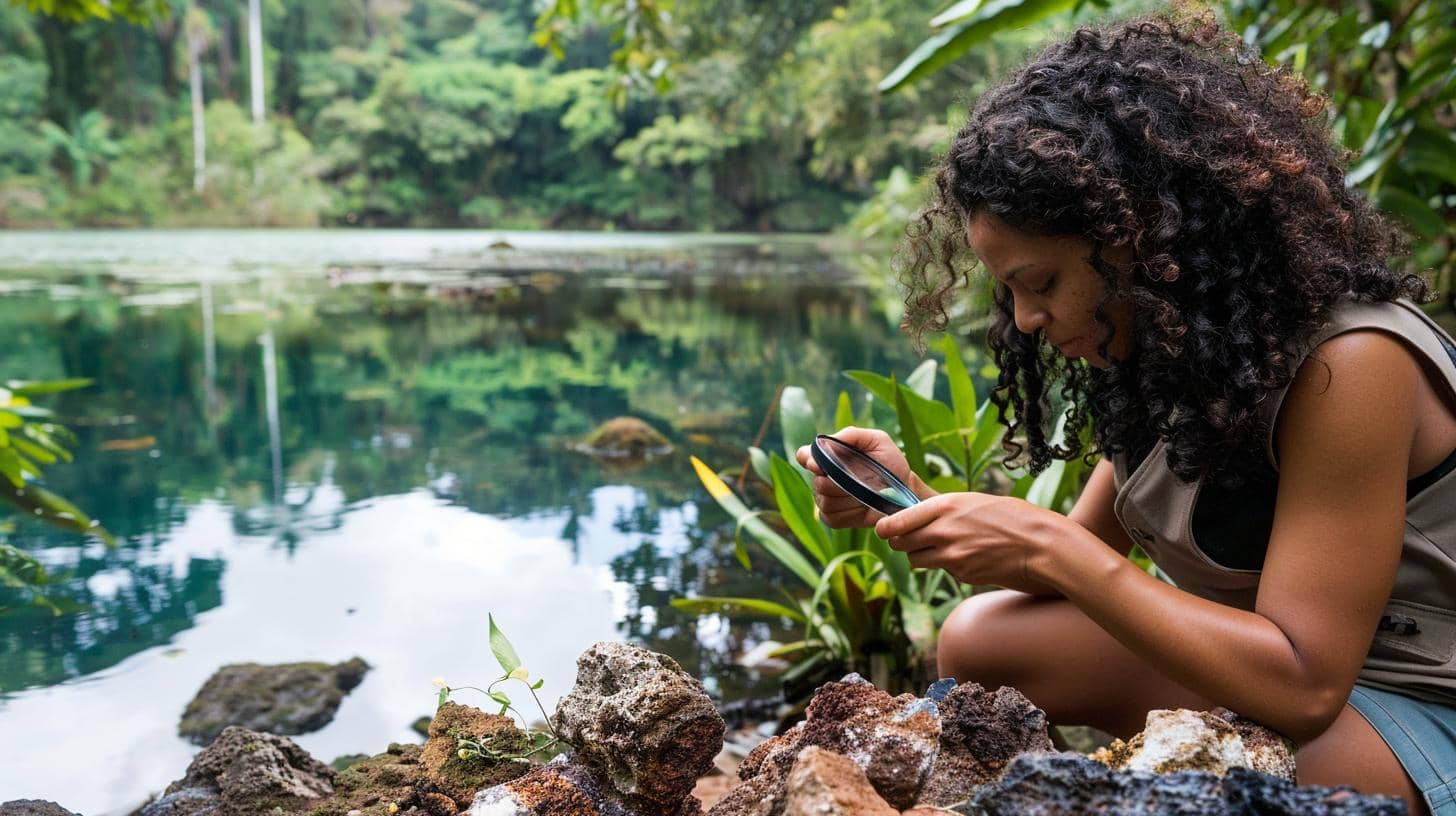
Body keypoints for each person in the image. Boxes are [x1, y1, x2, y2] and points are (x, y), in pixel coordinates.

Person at [796, 13, 1456, 816]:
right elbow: (1072, 555)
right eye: (1009, 292)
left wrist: (1049, 546)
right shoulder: (1184, 349)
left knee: (1247, 777)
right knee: (984, 638)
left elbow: (1305, 686)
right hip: (1280, 680)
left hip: (1411, 704)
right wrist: (912, 503)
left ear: (1139, 237)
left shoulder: (1350, 365)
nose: (1025, 320)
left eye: (1042, 284)